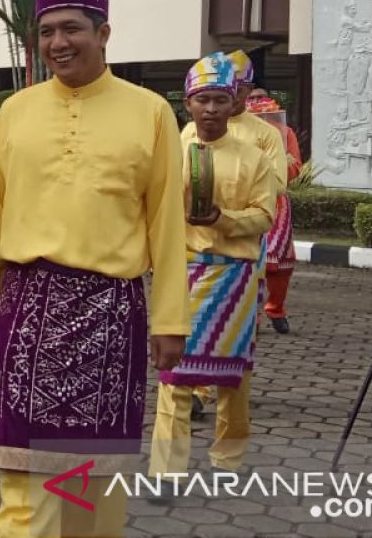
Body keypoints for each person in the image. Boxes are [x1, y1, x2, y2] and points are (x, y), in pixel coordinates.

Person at [0, 0, 188, 538]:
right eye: (46, 31)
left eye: (72, 29)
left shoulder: (150, 111)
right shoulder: (16, 109)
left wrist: (171, 318)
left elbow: (166, 222)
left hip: (112, 313)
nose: (58, 43)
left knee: (94, 491)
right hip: (28, 306)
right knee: (25, 485)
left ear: (103, 32)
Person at [148, 53, 274, 486]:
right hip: (184, 274)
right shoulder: (171, 152)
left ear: (233, 99)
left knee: (233, 382)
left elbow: (265, 216)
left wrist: (222, 218)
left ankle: (228, 461)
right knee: (173, 376)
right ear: (188, 103)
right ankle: (168, 470)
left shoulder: (252, 156)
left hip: (234, 279)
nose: (212, 109)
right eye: (203, 100)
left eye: (220, 99)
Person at [247, 90, 302, 334]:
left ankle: (276, 309)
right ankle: (252, 316)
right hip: (246, 202)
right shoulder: (238, 131)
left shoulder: (285, 133)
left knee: (280, 264)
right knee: (250, 261)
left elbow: (295, 168)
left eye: (262, 98)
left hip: (277, 203)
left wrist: (280, 167)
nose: (258, 102)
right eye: (253, 98)